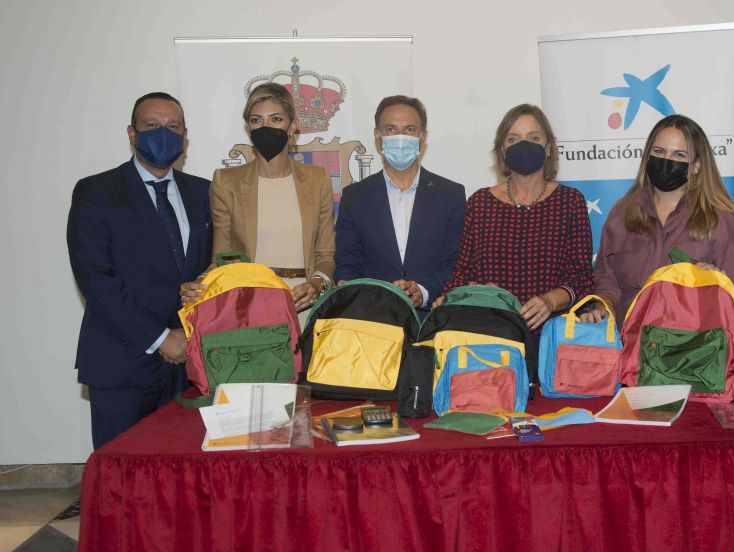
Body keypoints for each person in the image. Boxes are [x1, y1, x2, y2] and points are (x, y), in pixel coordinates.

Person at [67, 92, 213, 448]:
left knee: (186, 470)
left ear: (185, 136)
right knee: (122, 469)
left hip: (192, 366)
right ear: (132, 133)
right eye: (152, 125)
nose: (163, 133)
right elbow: (95, 279)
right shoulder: (96, 192)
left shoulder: (205, 192)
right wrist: (161, 338)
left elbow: (214, 266)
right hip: (123, 361)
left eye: (172, 126)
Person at [580, 114, 734, 325]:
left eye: (679, 155)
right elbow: (607, 278)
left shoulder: (720, 221)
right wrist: (603, 304)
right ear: (647, 156)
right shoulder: (622, 213)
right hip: (628, 339)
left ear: (696, 166)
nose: (666, 160)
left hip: (691, 342)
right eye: (659, 152)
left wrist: (716, 284)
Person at [181, 83, 334, 318]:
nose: (266, 127)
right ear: (248, 128)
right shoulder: (226, 182)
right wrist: (200, 283)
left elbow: (325, 256)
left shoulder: (318, 180)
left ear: (293, 126)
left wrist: (315, 285)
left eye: (276, 119)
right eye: (256, 120)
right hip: (250, 308)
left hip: (304, 306)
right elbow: (221, 259)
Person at [438, 103, 594, 332]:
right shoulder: (480, 203)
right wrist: (463, 294)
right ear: (502, 149)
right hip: (490, 334)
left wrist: (550, 301)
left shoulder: (570, 201)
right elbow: (462, 273)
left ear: (549, 147)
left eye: (533, 138)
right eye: (513, 139)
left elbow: (582, 277)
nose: (523, 145)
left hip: (552, 334)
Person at [334, 95, 465, 312]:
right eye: (391, 129)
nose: (400, 137)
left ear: (422, 136)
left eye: (409, 129)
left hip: (431, 318)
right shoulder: (354, 196)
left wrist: (423, 291)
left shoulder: (450, 194)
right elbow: (347, 262)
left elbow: (457, 263)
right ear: (378, 136)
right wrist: (352, 289)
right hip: (372, 318)